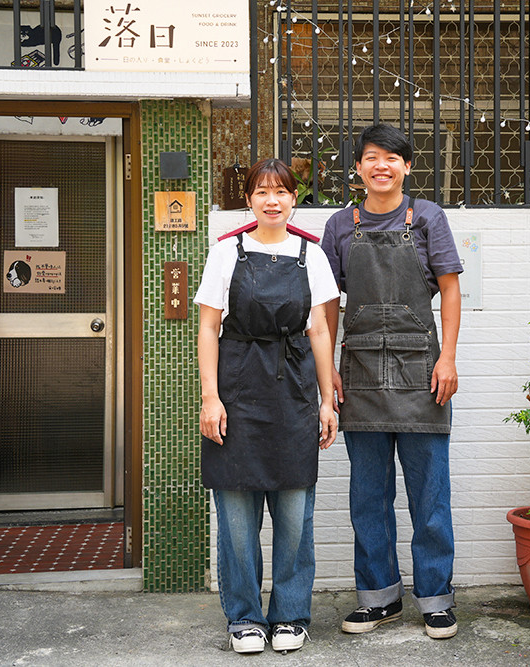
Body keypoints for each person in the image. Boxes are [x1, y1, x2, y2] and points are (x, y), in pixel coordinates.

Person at [321, 124, 463, 639]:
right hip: (357, 373)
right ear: (357, 168)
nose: (381, 166)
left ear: (407, 166)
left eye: (392, 158)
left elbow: (449, 291)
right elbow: (328, 302)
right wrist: (327, 369)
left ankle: (435, 599)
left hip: (422, 373)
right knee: (368, 496)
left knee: (430, 495)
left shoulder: (427, 217)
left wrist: (447, 357)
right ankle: (378, 599)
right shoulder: (339, 225)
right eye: (371, 158)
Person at [195, 158, 339, 655]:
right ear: (249, 199)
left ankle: (291, 616)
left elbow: (319, 330)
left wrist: (327, 400)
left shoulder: (311, 255)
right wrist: (210, 398)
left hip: (294, 392)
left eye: (281, 191)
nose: (272, 200)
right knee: (236, 517)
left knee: (295, 515)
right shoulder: (226, 253)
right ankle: (244, 618)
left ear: (293, 199)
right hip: (236, 390)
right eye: (262, 191)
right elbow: (208, 328)